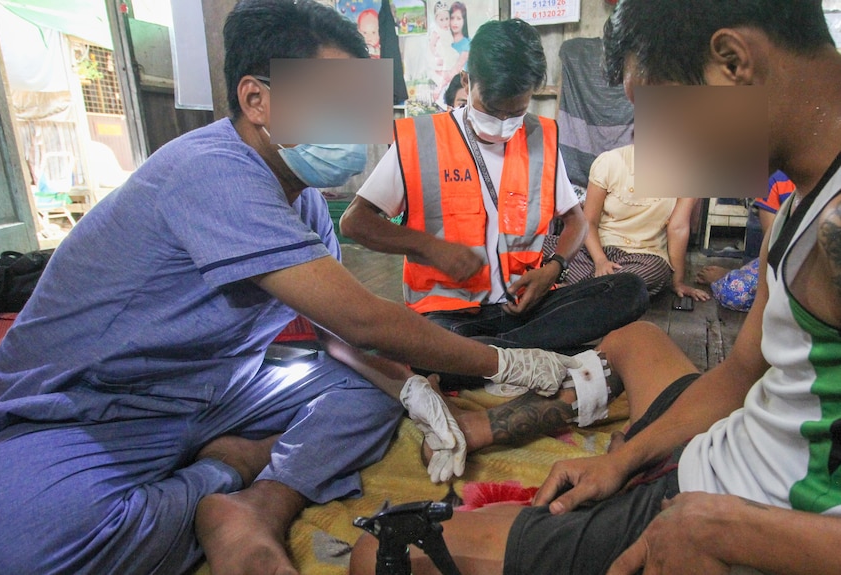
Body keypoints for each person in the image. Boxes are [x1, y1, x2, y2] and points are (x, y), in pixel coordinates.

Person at [0, 1, 592, 574]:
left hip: (219, 390)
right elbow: (364, 321)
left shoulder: (305, 205)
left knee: (378, 390)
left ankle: (261, 504)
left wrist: (408, 387)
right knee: (19, 545)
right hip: (91, 412)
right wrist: (510, 363)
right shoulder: (208, 172)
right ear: (257, 100)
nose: (360, 128)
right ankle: (230, 468)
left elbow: (336, 336)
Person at [349, 0, 841, 573]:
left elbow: (574, 222)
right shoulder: (801, 209)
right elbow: (738, 375)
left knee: (381, 553)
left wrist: (725, 532)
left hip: (744, 517)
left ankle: (491, 373)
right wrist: (624, 460)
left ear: (732, 62)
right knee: (638, 339)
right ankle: (495, 377)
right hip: (719, 455)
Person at [341, 19, 649, 390]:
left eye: (515, 112)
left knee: (629, 290)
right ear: (468, 83)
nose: (503, 123)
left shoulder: (542, 137)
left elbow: (577, 222)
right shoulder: (421, 138)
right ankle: (520, 357)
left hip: (525, 309)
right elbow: (354, 222)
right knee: (424, 342)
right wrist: (428, 246)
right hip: (448, 317)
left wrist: (554, 268)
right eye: (492, 109)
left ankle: (491, 360)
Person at [559, 142, 710, 299]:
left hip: (644, 257)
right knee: (547, 246)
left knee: (648, 274)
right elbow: (588, 222)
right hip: (597, 250)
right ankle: (600, 291)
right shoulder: (610, 162)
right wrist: (600, 261)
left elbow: (678, 228)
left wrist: (678, 282)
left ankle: (572, 289)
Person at [697, 170, 796, 311]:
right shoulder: (778, 181)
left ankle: (735, 275)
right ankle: (737, 275)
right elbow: (774, 248)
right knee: (735, 292)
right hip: (787, 264)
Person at [429, 0, 459, 100]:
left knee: (452, 75)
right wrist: (437, 56)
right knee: (444, 77)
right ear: (436, 20)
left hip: (450, 55)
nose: (445, 22)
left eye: (447, 19)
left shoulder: (448, 30)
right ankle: (438, 91)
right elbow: (432, 45)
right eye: (442, 20)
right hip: (442, 56)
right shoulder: (436, 31)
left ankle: (447, 94)